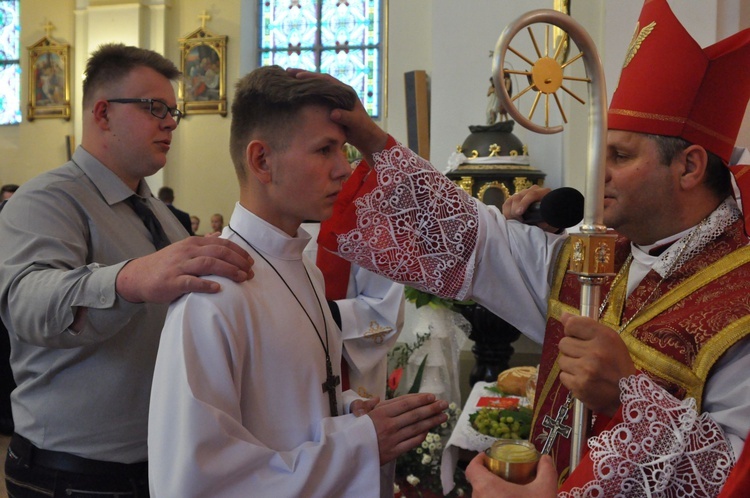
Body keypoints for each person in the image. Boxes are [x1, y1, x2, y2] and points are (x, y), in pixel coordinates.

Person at [294, 0, 750, 495]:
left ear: (689, 167)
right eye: (601, 154)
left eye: (619, 156)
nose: (599, 173)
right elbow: (477, 241)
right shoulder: (590, 260)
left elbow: (728, 474)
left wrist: (626, 396)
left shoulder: (737, 307)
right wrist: (379, 147)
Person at [147, 65, 448, 497]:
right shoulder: (211, 296)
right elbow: (196, 481)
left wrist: (351, 412)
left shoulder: (301, 267)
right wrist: (361, 443)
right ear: (262, 160)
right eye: (325, 149)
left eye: (343, 149)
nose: (344, 170)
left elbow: (286, 413)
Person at [0, 43, 253, 497]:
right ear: (102, 113)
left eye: (173, 111)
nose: (170, 122)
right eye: (154, 107)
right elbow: (25, 302)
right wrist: (131, 279)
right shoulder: (48, 200)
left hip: (162, 460)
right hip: (75, 475)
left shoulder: (159, 212)